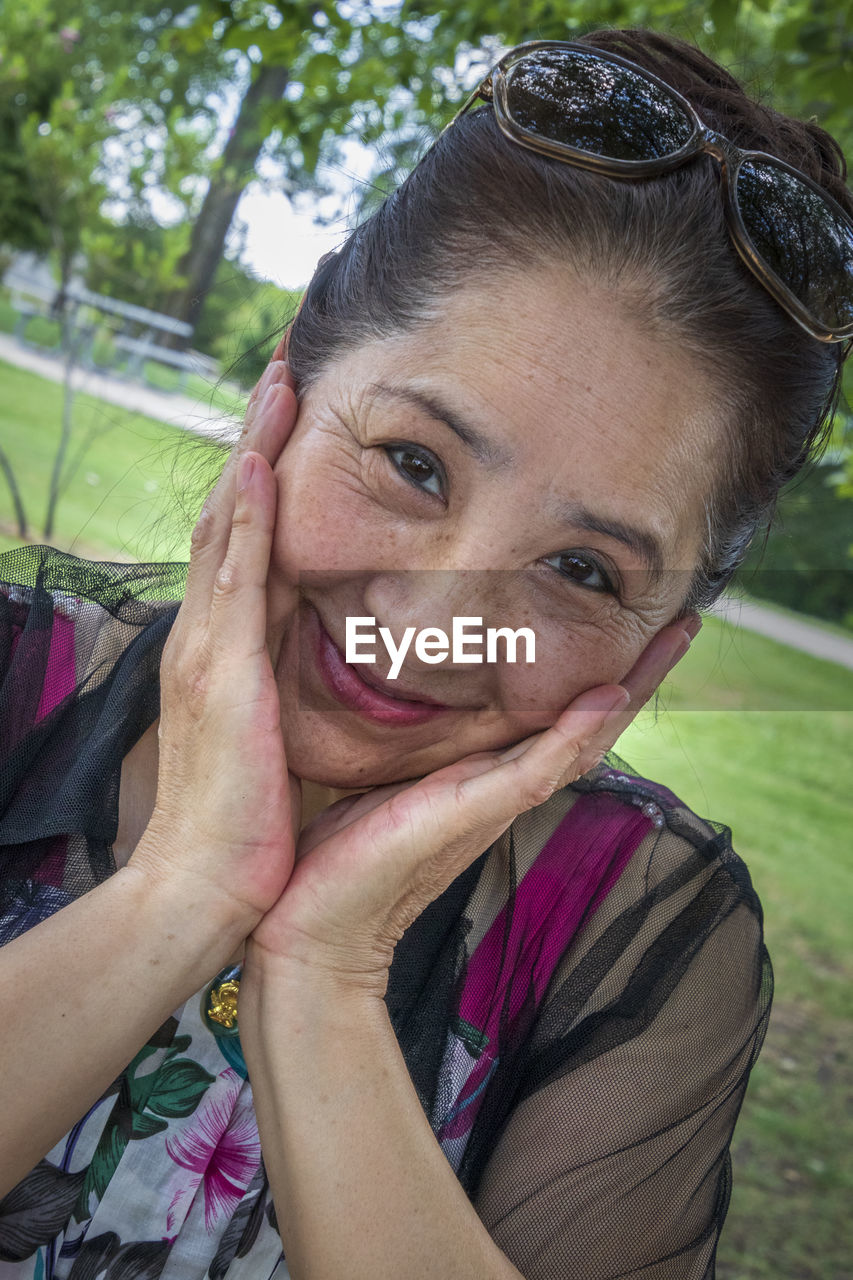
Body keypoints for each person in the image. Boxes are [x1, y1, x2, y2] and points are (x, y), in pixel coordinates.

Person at [1, 24, 851, 1280]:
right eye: (412, 463)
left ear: (656, 645)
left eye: (580, 570)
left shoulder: (639, 933)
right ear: (284, 392)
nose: (421, 625)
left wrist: (326, 974)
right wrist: (186, 888)